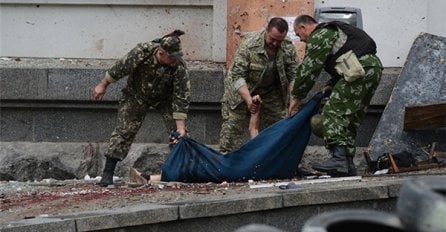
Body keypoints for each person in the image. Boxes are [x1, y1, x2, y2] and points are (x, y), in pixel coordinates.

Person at [93, 30, 191, 187]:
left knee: (179, 135)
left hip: (164, 99)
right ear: (161, 53)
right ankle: (108, 173)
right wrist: (103, 84)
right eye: (172, 57)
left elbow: (181, 96)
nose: (175, 60)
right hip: (136, 95)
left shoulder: (178, 67)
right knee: (124, 130)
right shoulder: (142, 52)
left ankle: (184, 171)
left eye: (177, 57)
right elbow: (120, 68)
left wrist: (180, 127)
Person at [289, 15, 383, 177]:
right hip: (370, 69)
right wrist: (332, 84)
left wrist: (296, 96)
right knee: (349, 118)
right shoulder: (335, 31)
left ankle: (338, 159)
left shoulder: (320, 34)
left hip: (359, 70)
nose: (301, 40)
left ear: (304, 28)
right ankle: (347, 164)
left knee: (333, 111)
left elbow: (310, 69)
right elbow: (346, 58)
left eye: (299, 35)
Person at [219, 17, 300, 153]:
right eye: (272, 39)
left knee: (282, 124)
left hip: (269, 91)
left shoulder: (287, 47)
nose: (274, 43)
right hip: (242, 90)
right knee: (232, 128)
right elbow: (237, 76)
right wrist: (249, 101)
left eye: (279, 40)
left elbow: (294, 76)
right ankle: (227, 161)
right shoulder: (249, 45)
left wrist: (293, 102)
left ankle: (277, 158)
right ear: (266, 30)